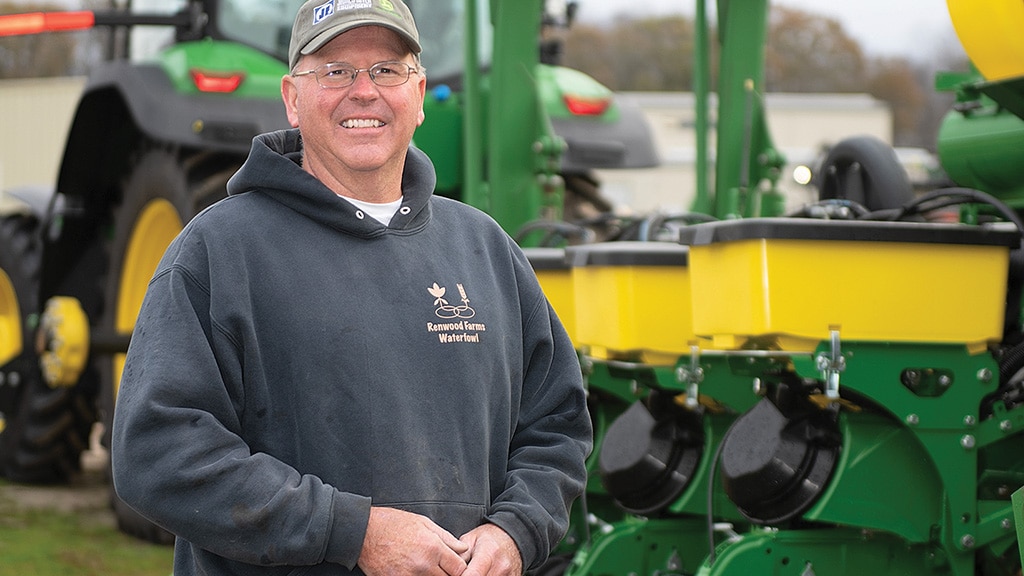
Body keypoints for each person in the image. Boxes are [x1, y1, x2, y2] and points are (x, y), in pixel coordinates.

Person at [110, 0, 593, 574]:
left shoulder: (486, 250)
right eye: (335, 71)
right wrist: (352, 533)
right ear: (292, 98)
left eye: (387, 70)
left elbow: (555, 425)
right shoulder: (219, 252)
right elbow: (159, 451)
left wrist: (515, 531)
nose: (364, 91)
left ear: (417, 96)